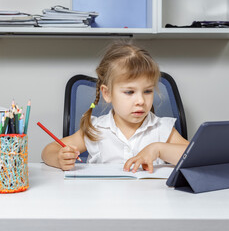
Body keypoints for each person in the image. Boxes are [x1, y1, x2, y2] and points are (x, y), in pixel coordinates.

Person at [41, 41, 189, 173]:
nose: (141, 101)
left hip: (150, 201)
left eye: (148, 91)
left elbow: (195, 156)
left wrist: (159, 149)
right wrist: (60, 158)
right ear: (107, 93)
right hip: (105, 202)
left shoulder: (161, 128)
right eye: (129, 92)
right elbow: (48, 151)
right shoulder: (95, 129)